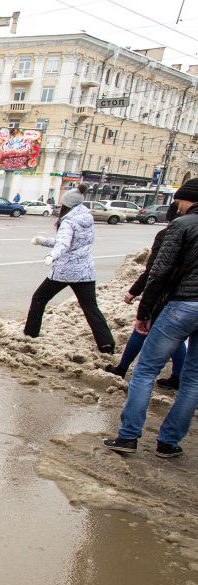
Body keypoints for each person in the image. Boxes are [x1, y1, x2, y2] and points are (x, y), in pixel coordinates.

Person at [104, 178, 198, 458]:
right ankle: (168, 443)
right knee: (193, 381)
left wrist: (145, 312)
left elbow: (159, 271)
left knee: (145, 371)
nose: (176, 206)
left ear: (188, 199)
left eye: (179, 200)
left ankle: (128, 436)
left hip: (181, 305)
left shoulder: (181, 226)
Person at [103, 201, 188, 388]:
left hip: (166, 295)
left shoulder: (169, 235)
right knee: (176, 336)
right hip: (188, 300)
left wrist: (136, 292)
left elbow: (155, 271)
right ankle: (178, 377)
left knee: (142, 329)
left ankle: (123, 369)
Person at [25, 188, 116, 353]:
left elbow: (64, 244)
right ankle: (106, 343)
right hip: (85, 270)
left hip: (66, 270)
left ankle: (30, 334)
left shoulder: (68, 221)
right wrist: (43, 241)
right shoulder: (86, 218)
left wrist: (52, 255)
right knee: (90, 307)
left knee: (39, 298)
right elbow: (71, 243)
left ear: (67, 205)